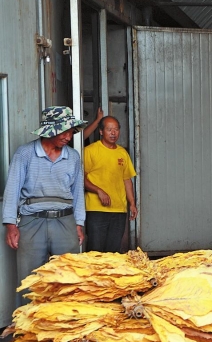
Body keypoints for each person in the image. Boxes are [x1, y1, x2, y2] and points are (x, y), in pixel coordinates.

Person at [2, 106, 87, 308]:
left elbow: (78, 192)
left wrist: (79, 223)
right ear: (49, 130)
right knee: (29, 279)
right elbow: (12, 190)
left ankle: (65, 328)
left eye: (70, 131)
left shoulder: (73, 157)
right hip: (32, 222)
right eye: (63, 131)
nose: (68, 136)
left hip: (65, 221)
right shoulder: (25, 154)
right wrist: (10, 225)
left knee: (68, 277)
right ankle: (26, 331)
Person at [83, 115, 137, 252]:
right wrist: (98, 191)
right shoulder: (90, 151)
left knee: (113, 252)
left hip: (118, 210)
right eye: (109, 129)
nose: (113, 133)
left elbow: (127, 180)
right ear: (101, 131)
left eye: (116, 129)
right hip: (96, 210)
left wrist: (132, 203)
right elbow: (80, 179)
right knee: (95, 251)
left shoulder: (122, 153)